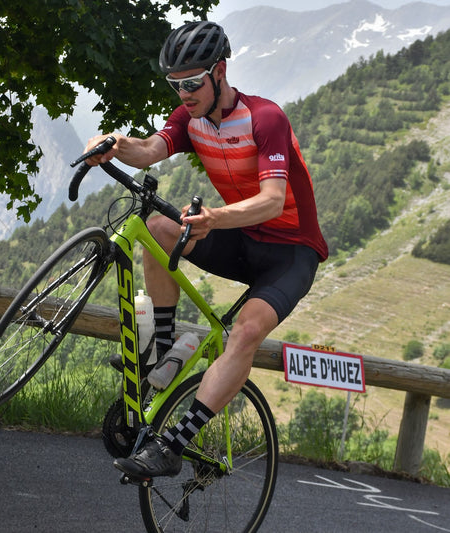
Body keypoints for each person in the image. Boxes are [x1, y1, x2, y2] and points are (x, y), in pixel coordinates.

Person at [84, 20, 328, 478]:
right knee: (157, 227)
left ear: (219, 72)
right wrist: (113, 145)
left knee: (246, 332)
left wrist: (213, 218)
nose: (184, 94)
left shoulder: (265, 118)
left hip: (291, 251)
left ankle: (174, 444)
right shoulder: (189, 118)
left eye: (192, 83)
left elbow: (274, 199)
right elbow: (150, 149)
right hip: (243, 238)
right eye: (175, 85)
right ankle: (162, 345)